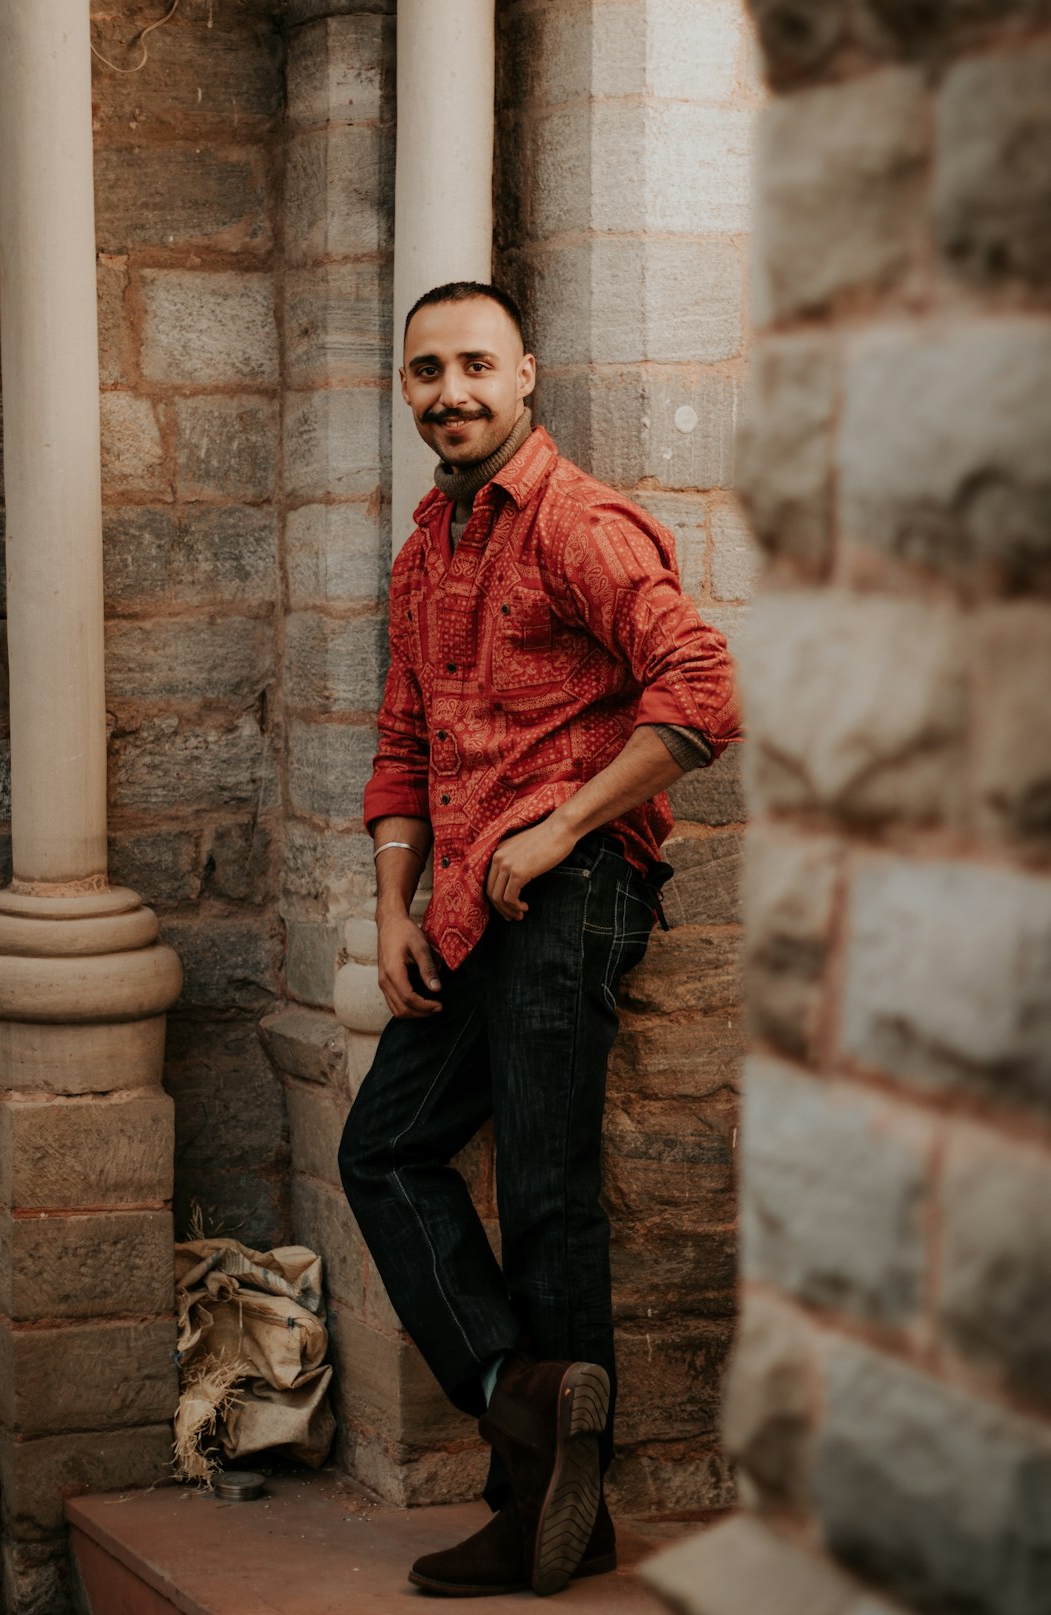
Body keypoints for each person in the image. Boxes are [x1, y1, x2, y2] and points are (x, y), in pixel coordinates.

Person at [338, 281, 739, 1598]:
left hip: (570, 892)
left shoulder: (581, 525)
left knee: (551, 1189)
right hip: (459, 903)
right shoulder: (423, 554)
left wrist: (560, 829)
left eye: (473, 367)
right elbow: (400, 751)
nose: (447, 392)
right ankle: (518, 1392)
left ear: (528, 378)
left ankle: (549, 1521)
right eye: (424, 372)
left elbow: (703, 693)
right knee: (384, 1147)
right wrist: (394, 908)